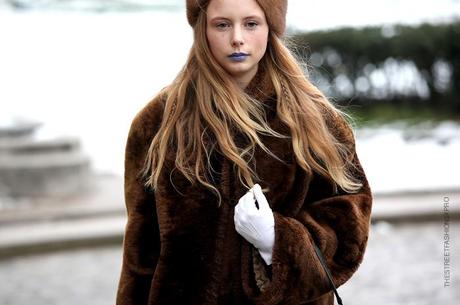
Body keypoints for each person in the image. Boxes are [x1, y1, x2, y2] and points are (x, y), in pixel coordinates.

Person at [116, 0, 373, 304]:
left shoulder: (315, 122)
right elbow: (140, 252)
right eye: (222, 24)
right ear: (203, 29)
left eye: (251, 24)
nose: (237, 37)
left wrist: (277, 240)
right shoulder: (157, 123)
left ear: (270, 27)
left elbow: (348, 226)